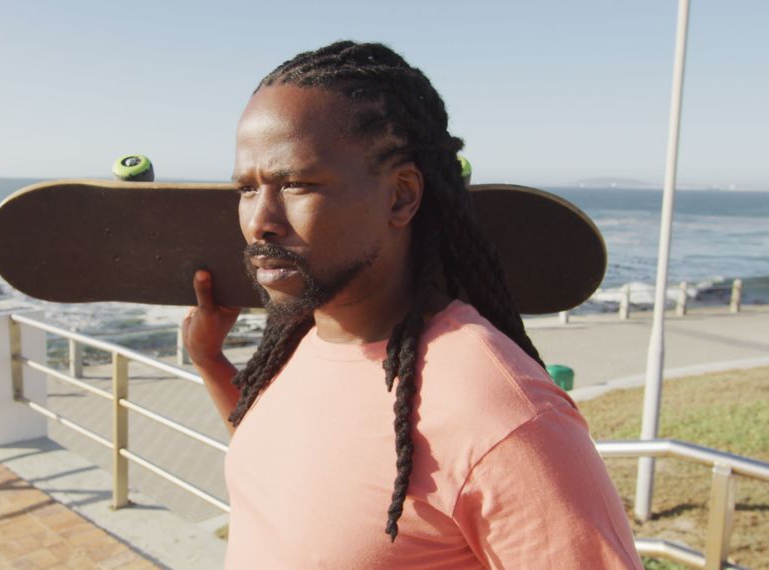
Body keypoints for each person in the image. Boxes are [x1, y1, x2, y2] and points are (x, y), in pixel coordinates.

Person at [182, 41, 641, 569]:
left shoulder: (501, 412)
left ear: (401, 196)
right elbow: (294, 472)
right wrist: (211, 362)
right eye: (246, 188)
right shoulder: (305, 338)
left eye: (297, 184)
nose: (260, 220)